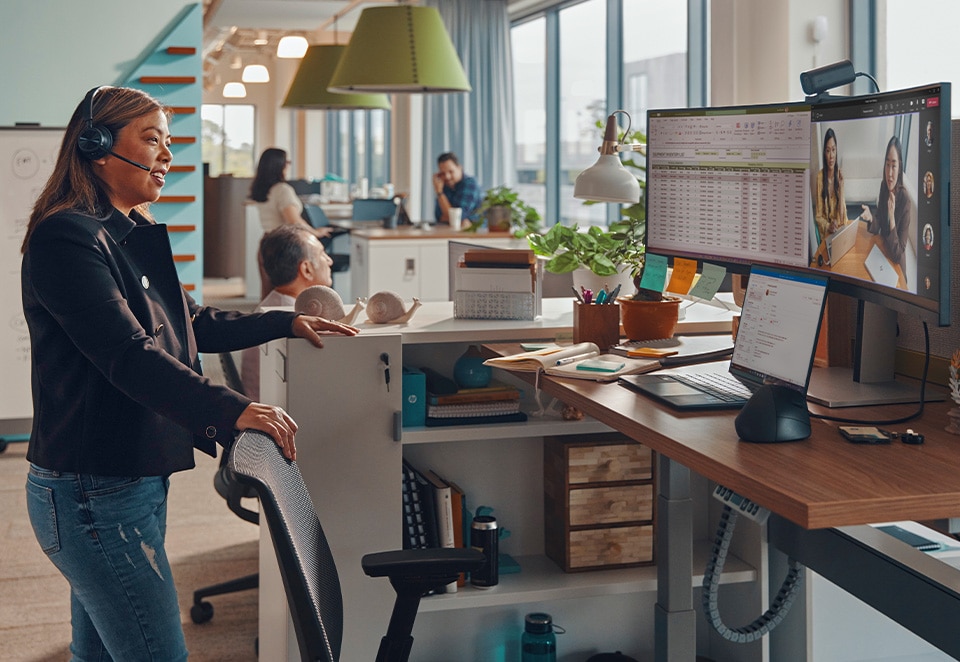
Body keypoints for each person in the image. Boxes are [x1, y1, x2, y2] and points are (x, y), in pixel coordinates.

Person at [20, 86, 359, 661]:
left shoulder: (126, 231)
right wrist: (233, 408)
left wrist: (282, 323)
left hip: (128, 477)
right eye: (151, 140)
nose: (167, 156)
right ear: (96, 146)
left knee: (99, 654)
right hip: (90, 490)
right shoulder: (67, 238)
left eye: (168, 141)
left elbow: (191, 321)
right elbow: (129, 356)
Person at [241, 225, 334, 399]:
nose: (329, 261)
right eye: (322, 254)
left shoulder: (273, 305)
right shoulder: (294, 322)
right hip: (279, 412)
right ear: (306, 269)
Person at [250, 147, 332, 296]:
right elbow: (294, 221)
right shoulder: (282, 189)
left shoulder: (262, 189)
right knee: (288, 295)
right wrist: (315, 233)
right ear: (279, 165)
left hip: (266, 242)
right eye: (287, 162)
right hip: (283, 247)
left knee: (269, 295)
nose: (288, 165)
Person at [860, 135, 914, 277]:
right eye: (887, 164)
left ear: (900, 166)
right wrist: (872, 218)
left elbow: (898, 254)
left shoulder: (905, 199)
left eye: (894, 165)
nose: (890, 173)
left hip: (896, 266)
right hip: (882, 253)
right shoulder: (884, 186)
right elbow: (879, 223)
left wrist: (892, 218)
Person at [813, 128, 848, 240]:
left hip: (840, 231)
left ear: (836, 151)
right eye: (828, 151)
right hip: (827, 234)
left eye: (833, 150)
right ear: (824, 153)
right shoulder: (819, 177)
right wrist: (829, 226)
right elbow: (818, 216)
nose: (831, 156)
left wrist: (841, 189)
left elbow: (843, 219)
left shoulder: (840, 176)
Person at [433, 152, 482, 225]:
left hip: (475, 233)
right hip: (450, 231)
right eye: (443, 173)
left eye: (451, 171)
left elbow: (456, 218)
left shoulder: (470, 184)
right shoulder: (445, 186)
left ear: (460, 168)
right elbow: (439, 217)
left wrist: (439, 192)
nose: (447, 177)